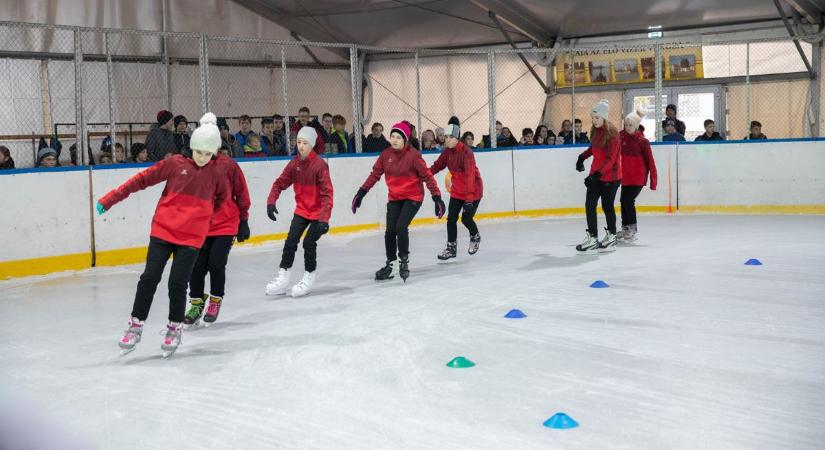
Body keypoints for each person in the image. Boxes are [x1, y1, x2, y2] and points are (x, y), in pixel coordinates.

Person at [97, 113, 229, 357]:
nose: (202, 157)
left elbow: (223, 199)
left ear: (214, 153)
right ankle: (136, 325)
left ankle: (174, 327)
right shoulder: (175, 164)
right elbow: (141, 180)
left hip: (191, 238)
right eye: (199, 151)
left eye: (208, 154)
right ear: (192, 147)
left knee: (177, 284)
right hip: (163, 230)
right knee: (149, 278)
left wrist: (204, 219)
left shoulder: (217, 173)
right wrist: (110, 198)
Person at [351, 121, 445, 282]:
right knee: (390, 231)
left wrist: (437, 198)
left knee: (401, 226)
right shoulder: (386, 154)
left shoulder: (413, 155)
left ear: (405, 139)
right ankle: (391, 264)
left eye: (398, 137)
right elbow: (375, 175)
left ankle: (403, 261)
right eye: (392, 136)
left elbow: (427, 176)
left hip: (413, 196)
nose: (394, 140)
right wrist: (361, 193)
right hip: (395, 197)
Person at [184, 142, 251, 327]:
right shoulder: (192, 165)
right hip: (200, 226)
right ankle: (196, 304)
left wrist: (244, 220)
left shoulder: (228, 165)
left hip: (226, 224)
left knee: (216, 263)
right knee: (196, 267)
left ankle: (215, 301)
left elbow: (241, 192)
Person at [265, 126, 334, 298]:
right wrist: (271, 201)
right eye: (299, 142)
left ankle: (309, 276)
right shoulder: (294, 164)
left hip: (318, 213)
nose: (301, 146)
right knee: (290, 242)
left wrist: (324, 219)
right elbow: (279, 183)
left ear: (312, 144)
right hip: (302, 210)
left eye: (305, 143)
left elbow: (327, 194)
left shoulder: (320, 166)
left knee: (308, 243)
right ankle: (283, 277)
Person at [429, 123, 483, 260]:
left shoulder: (466, 152)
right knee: (451, 219)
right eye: (445, 137)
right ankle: (451, 248)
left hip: (473, 190)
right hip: (458, 190)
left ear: (457, 138)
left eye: (450, 137)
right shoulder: (447, 152)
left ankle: (475, 236)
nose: (447, 140)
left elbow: (470, 175)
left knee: (466, 219)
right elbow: (437, 166)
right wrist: (424, 175)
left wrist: (469, 198)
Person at [575, 99, 622, 253]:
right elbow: (593, 148)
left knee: (607, 206)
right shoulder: (595, 131)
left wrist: (597, 175)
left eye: (597, 118)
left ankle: (612, 235)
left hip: (611, 177)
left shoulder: (613, 134)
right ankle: (593, 237)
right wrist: (582, 157)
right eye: (593, 118)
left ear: (604, 118)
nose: (594, 120)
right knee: (590, 205)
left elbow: (612, 159)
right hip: (596, 175)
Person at [618, 109, 657, 243]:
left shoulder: (642, 141)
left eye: (630, 125)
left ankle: (632, 229)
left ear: (635, 126)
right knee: (623, 201)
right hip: (625, 177)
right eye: (626, 125)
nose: (627, 127)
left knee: (628, 200)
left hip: (638, 177)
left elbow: (650, 162)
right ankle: (625, 228)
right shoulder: (621, 137)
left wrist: (653, 181)